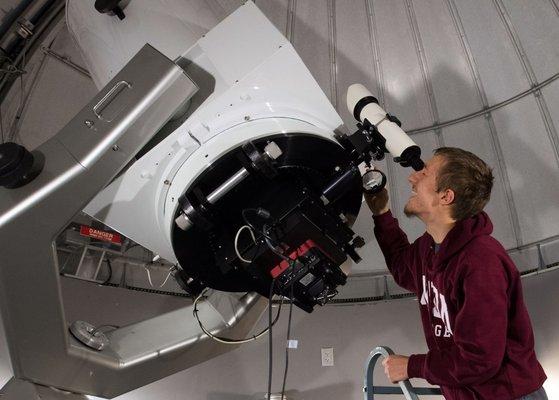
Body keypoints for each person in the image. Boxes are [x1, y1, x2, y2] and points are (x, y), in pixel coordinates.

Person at [365, 147, 547, 400]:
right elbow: (401, 267)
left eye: (424, 173)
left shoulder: (481, 260)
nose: (412, 178)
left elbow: (479, 359)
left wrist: (411, 366)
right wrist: (381, 214)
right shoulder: (428, 248)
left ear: (446, 196)